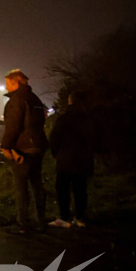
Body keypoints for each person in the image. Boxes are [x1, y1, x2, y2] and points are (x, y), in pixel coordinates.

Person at [0, 69, 48, 234]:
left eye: (7, 83)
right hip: (38, 145)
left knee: (21, 186)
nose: (6, 87)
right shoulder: (34, 98)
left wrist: (5, 147)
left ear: (16, 82)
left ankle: (22, 223)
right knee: (37, 184)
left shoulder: (17, 100)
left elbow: (13, 127)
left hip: (23, 148)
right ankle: (40, 220)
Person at [49, 91, 93, 228]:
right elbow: (95, 139)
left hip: (65, 160)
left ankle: (64, 218)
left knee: (63, 189)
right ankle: (79, 217)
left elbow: (54, 138)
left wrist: (56, 153)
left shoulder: (63, 119)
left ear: (70, 101)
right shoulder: (88, 119)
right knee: (80, 189)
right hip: (83, 159)